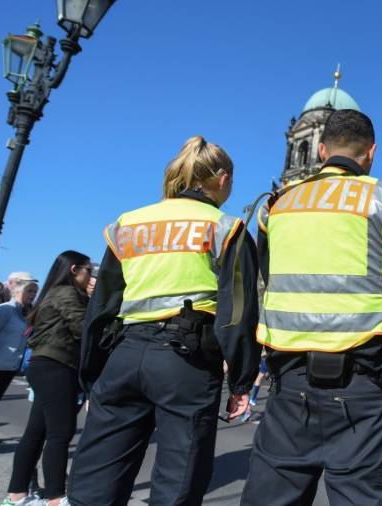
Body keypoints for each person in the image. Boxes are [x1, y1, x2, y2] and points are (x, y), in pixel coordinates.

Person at [242, 109, 382, 505]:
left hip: (289, 381)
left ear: (320, 149)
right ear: (371, 153)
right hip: (365, 381)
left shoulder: (278, 206)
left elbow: (269, 277)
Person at [67, 136, 260, 506]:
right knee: (178, 480)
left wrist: (91, 375)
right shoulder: (226, 227)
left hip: (123, 354)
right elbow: (237, 312)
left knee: (97, 478)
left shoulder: (128, 223)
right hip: (185, 359)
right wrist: (241, 381)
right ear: (222, 178)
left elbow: (102, 306)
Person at [3, 252, 91, 506]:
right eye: (88, 270)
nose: (91, 275)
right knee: (60, 433)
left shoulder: (54, 292)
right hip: (57, 365)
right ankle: (55, 497)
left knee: (36, 432)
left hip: (44, 365)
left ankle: (17, 495)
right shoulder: (67, 293)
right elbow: (82, 328)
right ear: (74, 269)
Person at [0, 278, 38, 449]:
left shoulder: (26, 313)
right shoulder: (4, 310)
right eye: (29, 291)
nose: (33, 295)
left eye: (35, 292)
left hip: (8, 368)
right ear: (16, 291)